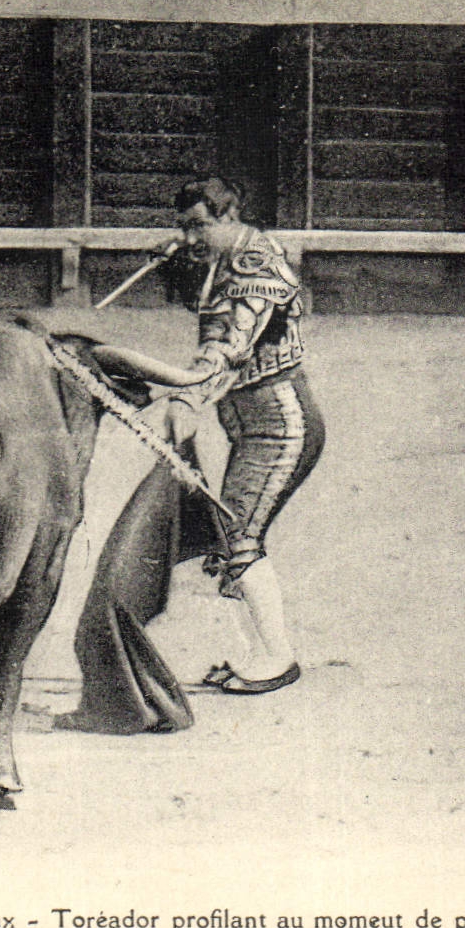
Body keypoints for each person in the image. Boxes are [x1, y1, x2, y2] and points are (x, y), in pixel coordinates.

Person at [159, 176, 324, 695]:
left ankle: (278, 658)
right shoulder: (226, 260)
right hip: (254, 429)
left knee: (238, 539)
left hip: (280, 427)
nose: (189, 238)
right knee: (228, 538)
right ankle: (257, 652)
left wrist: (188, 395)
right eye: (182, 229)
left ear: (228, 215)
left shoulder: (257, 262)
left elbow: (233, 343)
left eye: (198, 227)